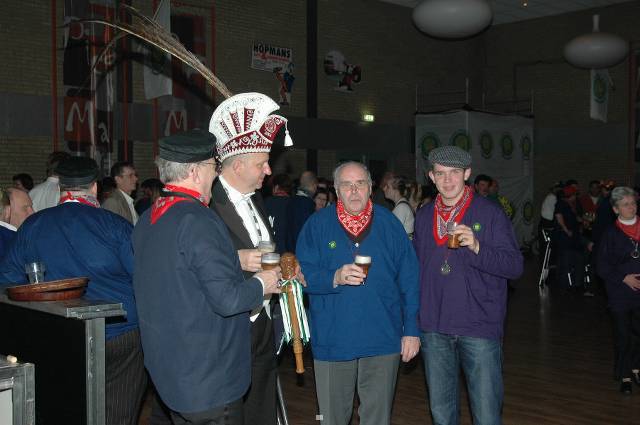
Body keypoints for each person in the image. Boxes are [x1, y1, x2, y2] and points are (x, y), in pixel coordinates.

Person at [132, 129, 282, 424]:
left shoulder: (149, 218)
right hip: (208, 379)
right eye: (214, 167)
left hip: (170, 372)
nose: (216, 175)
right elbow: (228, 300)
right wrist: (262, 282)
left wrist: (235, 260)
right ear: (194, 171)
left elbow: (179, 280)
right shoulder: (198, 219)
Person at [0, 156, 146, 425]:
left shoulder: (33, 226)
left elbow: (7, 279)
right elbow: (144, 278)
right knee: (118, 410)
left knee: (68, 407)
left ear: (60, 188)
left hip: (59, 334)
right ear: (94, 188)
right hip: (119, 333)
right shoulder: (115, 226)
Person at [296, 161, 420, 425]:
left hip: (382, 337)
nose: (354, 191)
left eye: (360, 183)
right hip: (333, 338)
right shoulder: (317, 225)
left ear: (371, 187)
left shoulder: (390, 224)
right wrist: (334, 277)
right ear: (336, 189)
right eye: (346, 185)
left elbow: (410, 278)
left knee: (377, 418)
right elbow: (302, 275)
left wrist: (411, 329)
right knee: (332, 418)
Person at [413, 146, 523, 425]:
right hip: (434, 327)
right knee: (441, 413)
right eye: (440, 173)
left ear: (467, 174)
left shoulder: (490, 213)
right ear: (431, 177)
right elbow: (415, 271)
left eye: (454, 172)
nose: (447, 180)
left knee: (486, 414)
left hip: (478, 326)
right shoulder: (424, 216)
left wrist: (477, 247)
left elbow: (514, 266)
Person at [208, 92, 293, 425]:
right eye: (261, 164)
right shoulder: (207, 204)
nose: (269, 170)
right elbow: (190, 260)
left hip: (262, 322)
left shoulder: (256, 198)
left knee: (261, 409)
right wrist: (236, 258)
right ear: (238, 165)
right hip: (229, 326)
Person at [596, 187, 640, 394]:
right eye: (626, 204)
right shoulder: (610, 233)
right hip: (620, 292)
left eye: (633, 203)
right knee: (623, 335)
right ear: (615, 209)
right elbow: (602, 266)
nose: (631, 207)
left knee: (638, 333)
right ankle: (625, 376)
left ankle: (636, 367)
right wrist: (624, 277)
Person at [553, 185, 586, 290]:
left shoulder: (570, 204)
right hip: (565, 237)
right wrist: (566, 230)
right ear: (570, 195)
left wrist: (581, 221)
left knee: (577, 258)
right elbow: (559, 217)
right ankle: (566, 284)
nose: (575, 197)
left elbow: (574, 217)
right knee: (566, 260)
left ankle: (576, 283)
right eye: (574, 195)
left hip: (573, 236)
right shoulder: (561, 203)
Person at [287, 170, 318, 251]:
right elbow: (305, 232)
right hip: (301, 251)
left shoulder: (291, 200)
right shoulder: (307, 204)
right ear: (314, 185)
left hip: (290, 249)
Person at [0, 188, 34, 258]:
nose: (33, 213)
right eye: (25, 208)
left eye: (31, 207)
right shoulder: (17, 244)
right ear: (7, 211)